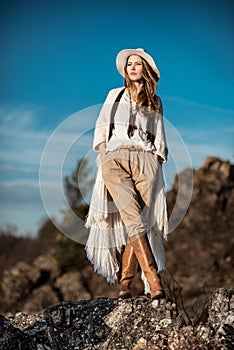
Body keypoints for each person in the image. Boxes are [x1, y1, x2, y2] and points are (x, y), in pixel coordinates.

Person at [85, 48, 168, 299]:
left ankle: (125, 284)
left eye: (137, 64)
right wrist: (104, 154)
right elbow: (101, 128)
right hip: (115, 158)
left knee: (139, 220)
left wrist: (156, 160)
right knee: (132, 216)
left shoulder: (155, 101)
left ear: (146, 70)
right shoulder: (114, 95)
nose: (132, 67)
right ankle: (154, 281)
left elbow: (160, 136)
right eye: (129, 64)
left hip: (145, 160)